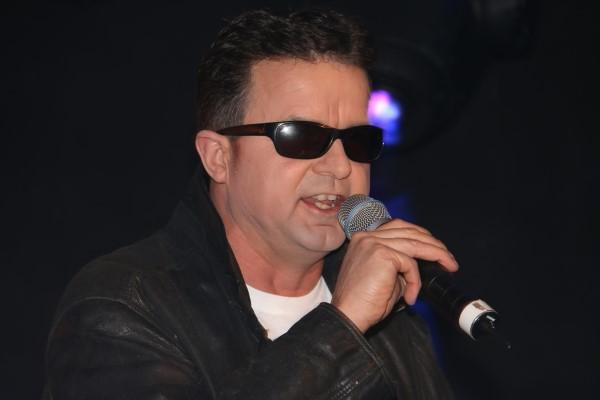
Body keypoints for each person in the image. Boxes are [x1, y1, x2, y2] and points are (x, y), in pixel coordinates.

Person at [43, 8, 459, 399]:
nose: (339, 166)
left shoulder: (392, 323)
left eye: (358, 141)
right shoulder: (122, 307)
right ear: (218, 157)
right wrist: (342, 326)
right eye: (302, 137)